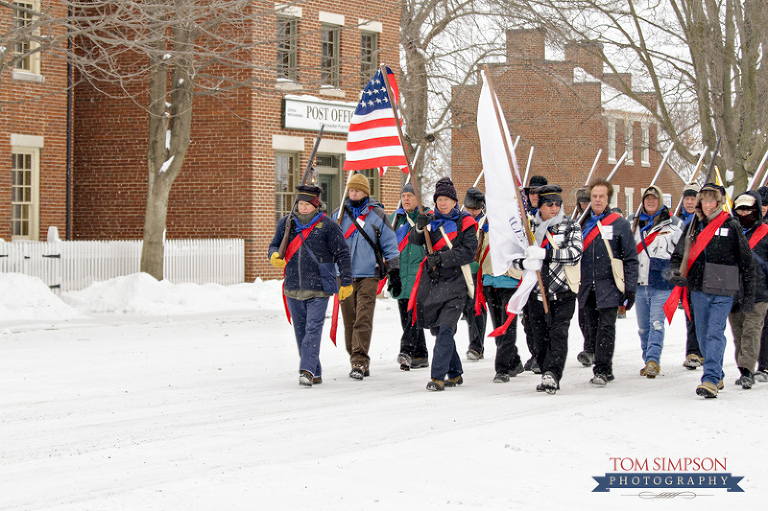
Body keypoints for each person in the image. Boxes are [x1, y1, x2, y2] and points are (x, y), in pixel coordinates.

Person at [670, 183, 755, 398]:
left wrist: (748, 295)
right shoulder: (693, 225)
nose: (708, 205)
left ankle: (709, 379)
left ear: (718, 202)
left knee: (714, 333)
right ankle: (717, 372)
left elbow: (746, 262)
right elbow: (678, 255)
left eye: (712, 200)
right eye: (704, 200)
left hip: (723, 285)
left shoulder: (731, 224)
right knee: (701, 333)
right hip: (697, 287)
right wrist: (675, 272)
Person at [268, 185, 353, 387]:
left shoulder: (328, 225)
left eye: (307, 204)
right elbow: (274, 244)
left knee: (313, 328)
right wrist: (273, 255)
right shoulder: (286, 223)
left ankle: (306, 369)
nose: (303, 207)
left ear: (315, 206)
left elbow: (342, 253)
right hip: (293, 285)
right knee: (300, 331)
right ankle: (314, 371)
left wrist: (346, 282)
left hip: (320, 285)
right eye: (300, 204)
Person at [410, 177, 478, 391]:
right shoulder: (429, 219)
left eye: (447, 199)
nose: (443, 203)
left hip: (456, 283)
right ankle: (455, 373)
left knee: (447, 328)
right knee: (440, 330)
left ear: (454, 201)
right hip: (434, 283)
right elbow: (415, 240)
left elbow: (468, 252)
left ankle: (437, 377)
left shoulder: (465, 223)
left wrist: (442, 258)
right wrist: (420, 229)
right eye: (439, 199)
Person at [514, 185, 583, 394]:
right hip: (536, 293)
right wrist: (524, 263)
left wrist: (546, 254)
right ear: (541, 206)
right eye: (549, 204)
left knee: (558, 334)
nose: (554, 208)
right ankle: (546, 369)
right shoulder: (528, 228)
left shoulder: (571, 226)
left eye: (557, 204)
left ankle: (553, 373)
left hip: (563, 292)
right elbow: (513, 259)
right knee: (539, 338)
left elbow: (575, 253)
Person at [334, 173, 400, 380]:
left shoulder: (378, 215)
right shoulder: (338, 215)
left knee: (363, 317)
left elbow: (390, 244)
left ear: (366, 193)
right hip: (343, 274)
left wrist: (394, 269)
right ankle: (355, 354)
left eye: (358, 190)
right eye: (351, 190)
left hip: (369, 273)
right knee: (349, 320)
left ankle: (359, 361)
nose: (354, 194)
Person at [578, 177, 639, 385]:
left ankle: (603, 368)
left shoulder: (619, 224)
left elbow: (630, 258)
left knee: (606, 328)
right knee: (591, 329)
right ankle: (601, 364)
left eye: (601, 196)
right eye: (594, 196)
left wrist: (630, 288)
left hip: (610, 285)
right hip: (586, 286)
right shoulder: (581, 224)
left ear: (608, 199)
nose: (597, 200)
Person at [630, 185, 683, 378]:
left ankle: (653, 360)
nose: (650, 202)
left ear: (660, 202)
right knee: (643, 327)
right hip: (640, 283)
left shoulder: (673, 227)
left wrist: (675, 272)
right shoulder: (635, 226)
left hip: (661, 284)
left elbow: (682, 253)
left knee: (656, 324)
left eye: (654, 199)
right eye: (647, 199)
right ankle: (647, 359)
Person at [476, 206, 525, 383]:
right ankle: (515, 361)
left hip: (510, 283)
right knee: (498, 327)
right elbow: (479, 255)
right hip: (490, 283)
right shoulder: (484, 230)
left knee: (507, 327)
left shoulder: (515, 229)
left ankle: (502, 368)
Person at [728, 192, 768, 389]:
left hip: (759, 292)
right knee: (739, 334)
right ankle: (743, 367)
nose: (744, 213)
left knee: (752, 332)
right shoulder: (730, 232)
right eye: (740, 209)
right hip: (734, 291)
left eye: (748, 209)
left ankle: (747, 370)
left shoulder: (766, 233)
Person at [390, 182, 431, 371]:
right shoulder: (395, 220)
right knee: (406, 319)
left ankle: (406, 351)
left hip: (420, 277)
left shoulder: (428, 219)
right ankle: (420, 355)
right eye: (403, 195)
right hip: (400, 277)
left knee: (413, 317)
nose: (406, 198)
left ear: (418, 199)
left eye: (410, 195)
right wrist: (392, 273)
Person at [521, 174, 548, 373]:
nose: (534, 196)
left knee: (542, 317)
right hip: (526, 271)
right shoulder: (523, 216)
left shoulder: (550, 217)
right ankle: (535, 353)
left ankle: (543, 355)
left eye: (538, 192)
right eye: (531, 192)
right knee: (528, 318)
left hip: (546, 273)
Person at [677, 183, 705, 369]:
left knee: (702, 317)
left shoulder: (702, 222)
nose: (689, 202)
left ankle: (700, 351)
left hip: (703, 275)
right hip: (686, 274)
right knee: (691, 315)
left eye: (692, 198)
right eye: (686, 198)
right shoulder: (678, 221)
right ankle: (693, 351)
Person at [462, 187, 488, 360]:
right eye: (468, 209)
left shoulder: (487, 223)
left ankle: (476, 346)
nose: (471, 213)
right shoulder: (459, 221)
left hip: (481, 271)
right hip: (461, 269)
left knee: (476, 308)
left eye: (475, 209)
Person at [574, 187, 594, 367]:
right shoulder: (576, 222)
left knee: (596, 315)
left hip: (599, 274)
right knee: (583, 316)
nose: (585, 205)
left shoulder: (602, 222)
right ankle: (590, 346)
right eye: (583, 201)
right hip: (581, 276)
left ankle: (592, 348)